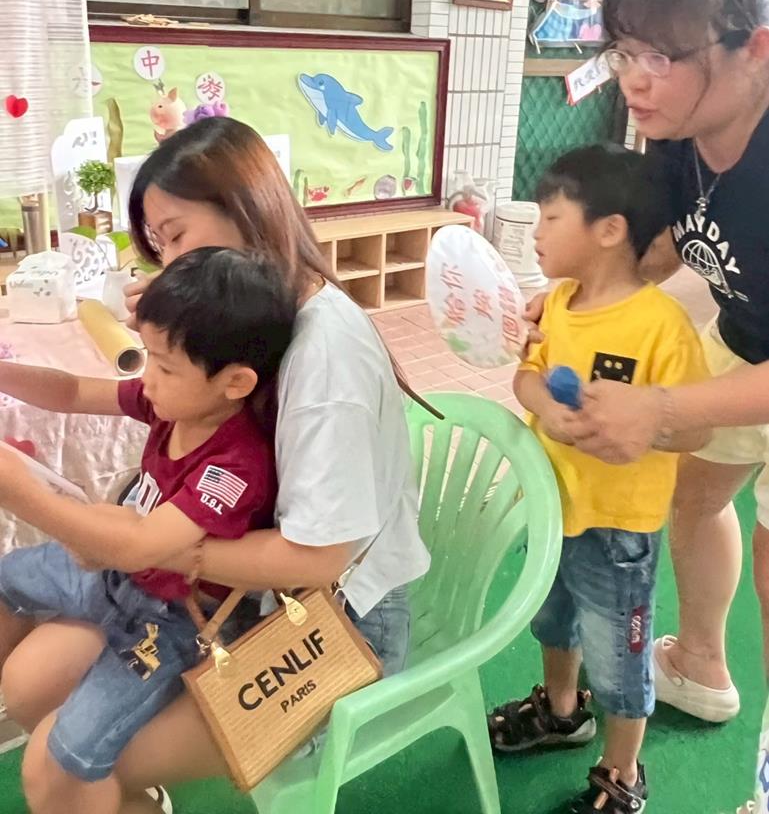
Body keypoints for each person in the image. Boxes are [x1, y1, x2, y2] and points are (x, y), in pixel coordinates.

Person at [0, 117, 429, 814]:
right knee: (29, 684)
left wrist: (142, 542)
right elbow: (90, 395)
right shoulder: (245, 328)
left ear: (247, 210)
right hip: (223, 594)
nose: (166, 262)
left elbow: (318, 560)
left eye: (175, 237)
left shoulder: (322, 354)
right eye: (158, 246)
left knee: (62, 769)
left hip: (326, 623)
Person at [549, 0, 769, 727]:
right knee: (696, 493)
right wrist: (572, 296)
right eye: (623, 53)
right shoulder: (680, 137)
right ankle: (700, 665)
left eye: (660, 57)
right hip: (743, 341)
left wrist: (662, 407)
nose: (633, 80)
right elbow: (656, 249)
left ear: (755, 49)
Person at [0, 246, 295, 814]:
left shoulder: (236, 465)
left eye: (163, 365)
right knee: (8, 577)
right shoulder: (174, 402)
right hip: (119, 578)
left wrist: (20, 492)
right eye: (147, 357)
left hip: (171, 620)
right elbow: (70, 392)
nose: (147, 378)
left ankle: (128, 796)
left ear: (235, 382)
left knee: (71, 752)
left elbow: (136, 547)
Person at [487, 144, 708, 814]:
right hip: (552, 508)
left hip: (618, 532)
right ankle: (561, 711)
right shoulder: (558, 304)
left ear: (609, 229)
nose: (536, 233)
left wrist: (639, 425)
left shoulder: (659, 326)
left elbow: (694, 430)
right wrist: (546, 406)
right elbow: (527, 376)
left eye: (551, 218)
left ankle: (622, 770)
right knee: (553, 621)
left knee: (619, 655)